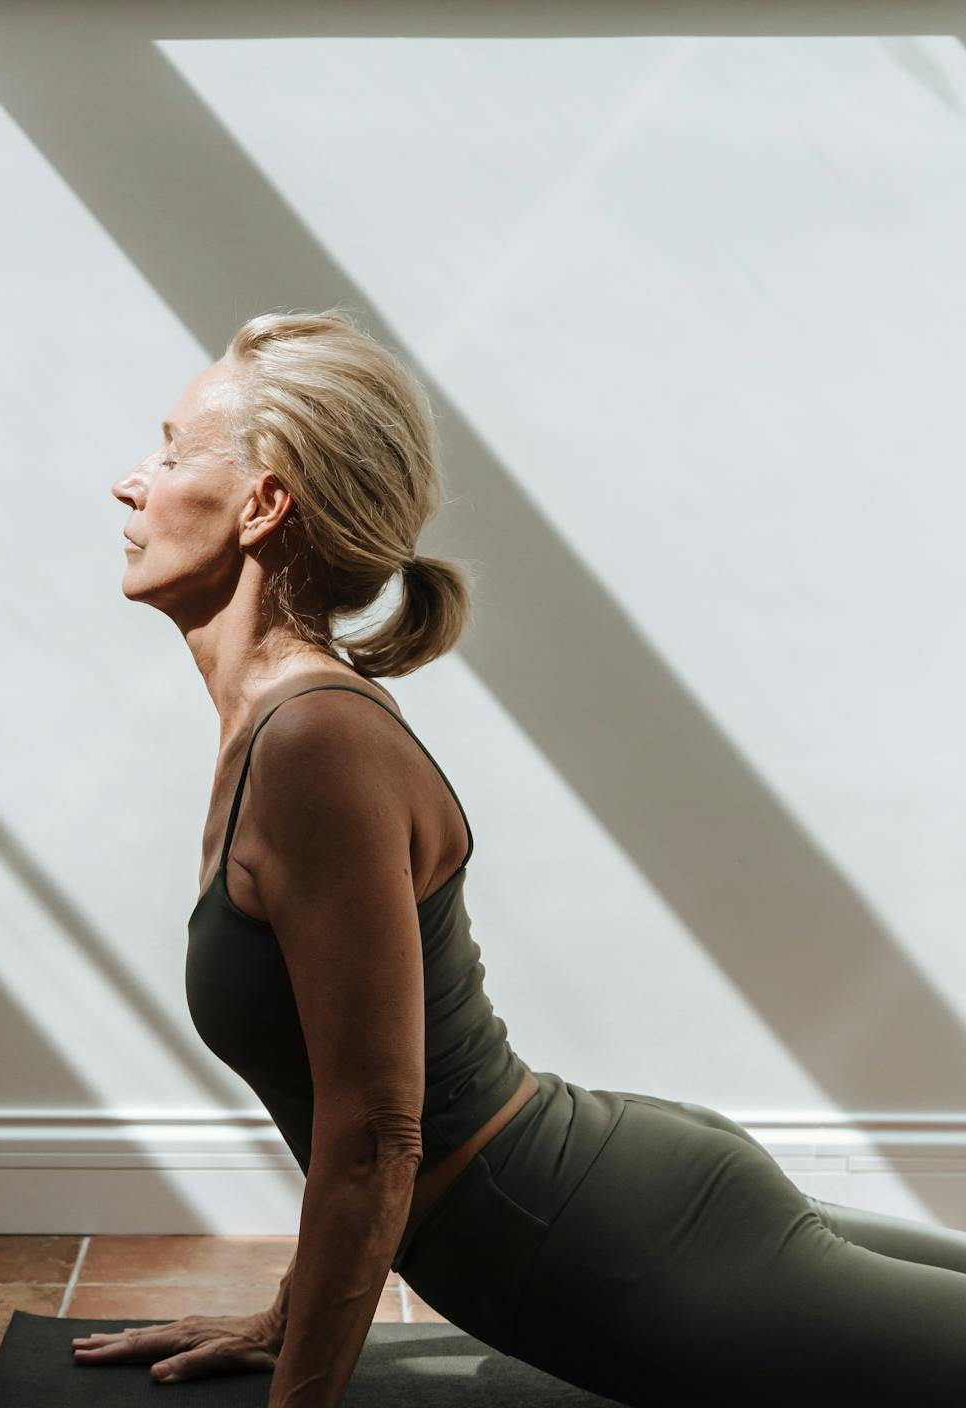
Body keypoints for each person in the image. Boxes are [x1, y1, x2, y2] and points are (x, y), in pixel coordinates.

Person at [77, 308, 966, 1406]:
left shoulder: (313, 739)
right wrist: (283, 1320)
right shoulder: (279, 725)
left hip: (614, 1246)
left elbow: (372, 1135)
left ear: (263, 504)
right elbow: (348, 1115)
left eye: (169, 452)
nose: (132, 482)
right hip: (605, 1195)